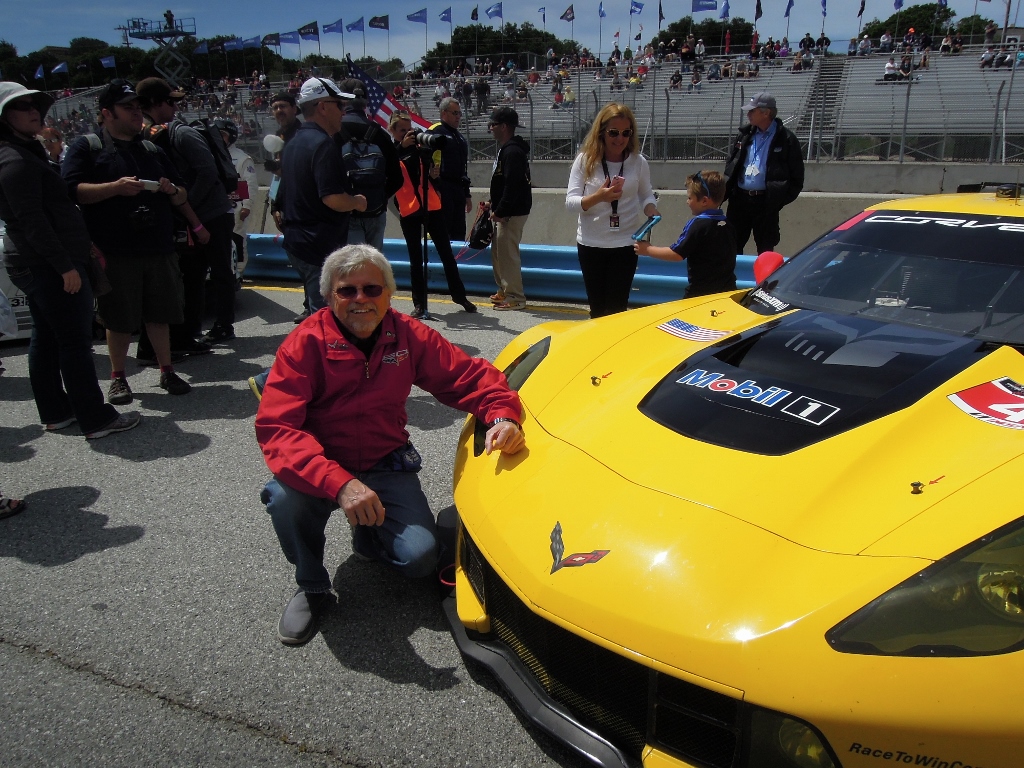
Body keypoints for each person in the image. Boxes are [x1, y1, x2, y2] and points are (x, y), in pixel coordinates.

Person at [256, 244, 525, 645]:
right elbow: (278, 429)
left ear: (389, 294)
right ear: (328, 296)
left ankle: (368, 535)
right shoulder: (304, 344)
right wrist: (340, 483)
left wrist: (502, 415)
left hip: (384, 460)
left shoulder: (409, 335)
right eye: (347, 290)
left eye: (372, 289)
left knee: (420, 558)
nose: (361, 299)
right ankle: (311, 586)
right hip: (321, 465)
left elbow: (470, 378)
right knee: (284, 499)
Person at [0, 82, 141, 440]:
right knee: (74, 343)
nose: (34, 111)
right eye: (22, 107)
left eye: (35, 105)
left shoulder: (22, 152)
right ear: (4, 117)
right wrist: (64, 266)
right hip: (48, 263)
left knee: (47, 337)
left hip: (41, 260)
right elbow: (32, 221)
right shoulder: (15, 160)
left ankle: (58, 412)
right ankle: (95, 419)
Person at [62, 79, 193, 403]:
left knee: (160, 313)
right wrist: (115, 188)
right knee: (118, 318)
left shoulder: (151, 149)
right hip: (115, 250)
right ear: (107, 113)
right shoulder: (88, 147)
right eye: (128, 107)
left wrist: (171, 190)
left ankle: (166, 370)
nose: (136, 113)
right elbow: (71, 191)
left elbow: (182, 193)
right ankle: (118, 378)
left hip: (157, 246)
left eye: (138, 107)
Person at [136, 77, 236, 348]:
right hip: (187, 216)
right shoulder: (150, 134)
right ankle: (190, 331)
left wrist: (184, 204)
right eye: (170, 102)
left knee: (219, 271)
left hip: (212, 213)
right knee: (192, 276)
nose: (175, 107)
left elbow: (208, 172)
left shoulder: (182, 134)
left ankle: (224, 324)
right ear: (155, 103)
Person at [278, 77, 367, 318]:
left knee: (319, 317)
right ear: (323, 107)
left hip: (298, 242)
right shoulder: (323, 144)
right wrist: (357, 202)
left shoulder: (293, 143)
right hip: (317, 246)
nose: (343, 111)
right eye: (339, 105)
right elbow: (332, 198)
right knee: (326, 321)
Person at [565, 103, 659, 319]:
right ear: (602, 132)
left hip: (625, 244)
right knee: (598, 311)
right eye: (614, 133)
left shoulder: (638, 162)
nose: (620, 139)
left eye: (626, 133)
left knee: (617, 311)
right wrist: (599, 197)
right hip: (591, 244)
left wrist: (651, 208)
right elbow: (570, 203)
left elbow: (646, 194)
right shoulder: (586, 160)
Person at [387, 111, 476, 316]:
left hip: (432, 205)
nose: (407, 134)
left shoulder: (421, 148)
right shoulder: (391, 152)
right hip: (409, 209)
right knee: (416, 258)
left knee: (446, 254)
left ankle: (459, 296)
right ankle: (419, 303)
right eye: (402, 131)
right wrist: (402, 148)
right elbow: (388, 172)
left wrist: (434, 175)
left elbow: (431, 179)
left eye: (409, 130)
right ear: (392, 131)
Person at [723, 92, 804, 255]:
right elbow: (731, 164)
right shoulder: (744, 135)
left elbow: (797, 177)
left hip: (766, 203)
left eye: (752, 111)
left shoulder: (786, 139)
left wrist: (777, 200)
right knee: (732, 246)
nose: (748, 114)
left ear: (766, 113)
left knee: (766, 248)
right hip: (739, 200)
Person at [634, 170, 736, 299]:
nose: (687, 202)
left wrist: (648, 249)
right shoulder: (728, 224)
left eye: (690, 198)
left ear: (704, 201)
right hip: (727, 292)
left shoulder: (697, 225)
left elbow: (677, 254)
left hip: (700, 293)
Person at [337, 79, 403, 252]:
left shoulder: (333, 132)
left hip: (346, 212)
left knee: (352, 263)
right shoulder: (380, 134)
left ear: (342, 101)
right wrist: (379, 198)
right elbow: (397, 178)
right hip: (376, 212)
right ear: (366, 102)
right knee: (374, 262)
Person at [487, 107, 532, 311]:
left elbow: (512, 185)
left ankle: (516, 297)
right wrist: (493, 203)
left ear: (504, 126)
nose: (491, 128)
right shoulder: (508, 149)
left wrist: (501, 210)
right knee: (499, 252)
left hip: (511, 213)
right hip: (507, 210)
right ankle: (505, 290)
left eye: (493, 124)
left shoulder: (512, 152)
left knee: (508, 255)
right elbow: (503, 183)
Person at [215, 118, 257, 279]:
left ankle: (238, 272)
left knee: (237, 240)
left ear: (231, 136)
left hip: (236, 207)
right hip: (217, 207)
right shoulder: (210, 154)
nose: (219, 138)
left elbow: (251, 184)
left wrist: (247, 206)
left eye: (223, 134)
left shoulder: (242, 158)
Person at [428, 97, 473, 242]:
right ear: (444, 113)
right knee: (442, 231)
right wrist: (434, 187)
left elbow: (463, 169)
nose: (458, 117)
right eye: (455, 113)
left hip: (458, 190)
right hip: (442, 188)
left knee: (459, 232)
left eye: (459, 113)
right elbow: (424, 161)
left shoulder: (460, 138)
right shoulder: (435, 132)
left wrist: (467, 194)